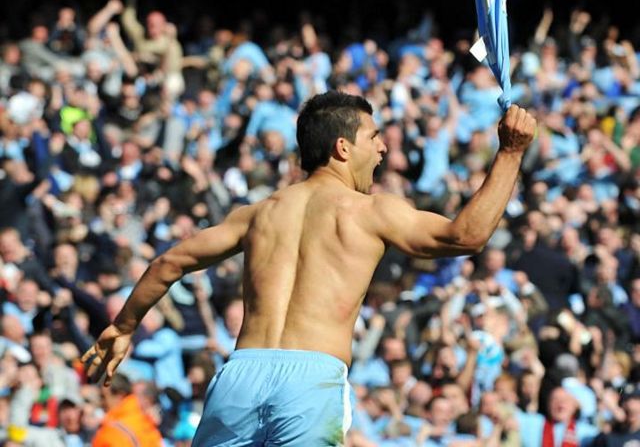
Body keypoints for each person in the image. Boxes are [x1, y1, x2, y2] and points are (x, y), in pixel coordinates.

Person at [82, 91, 536, 446]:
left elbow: (169, 261)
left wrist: (123, 326)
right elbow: (466, 236)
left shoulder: (258, 212)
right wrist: (511, 152)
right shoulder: (368, 211)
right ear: (343, 147)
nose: (381, 150)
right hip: (311, 379)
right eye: (374, 138)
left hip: (240, 376)